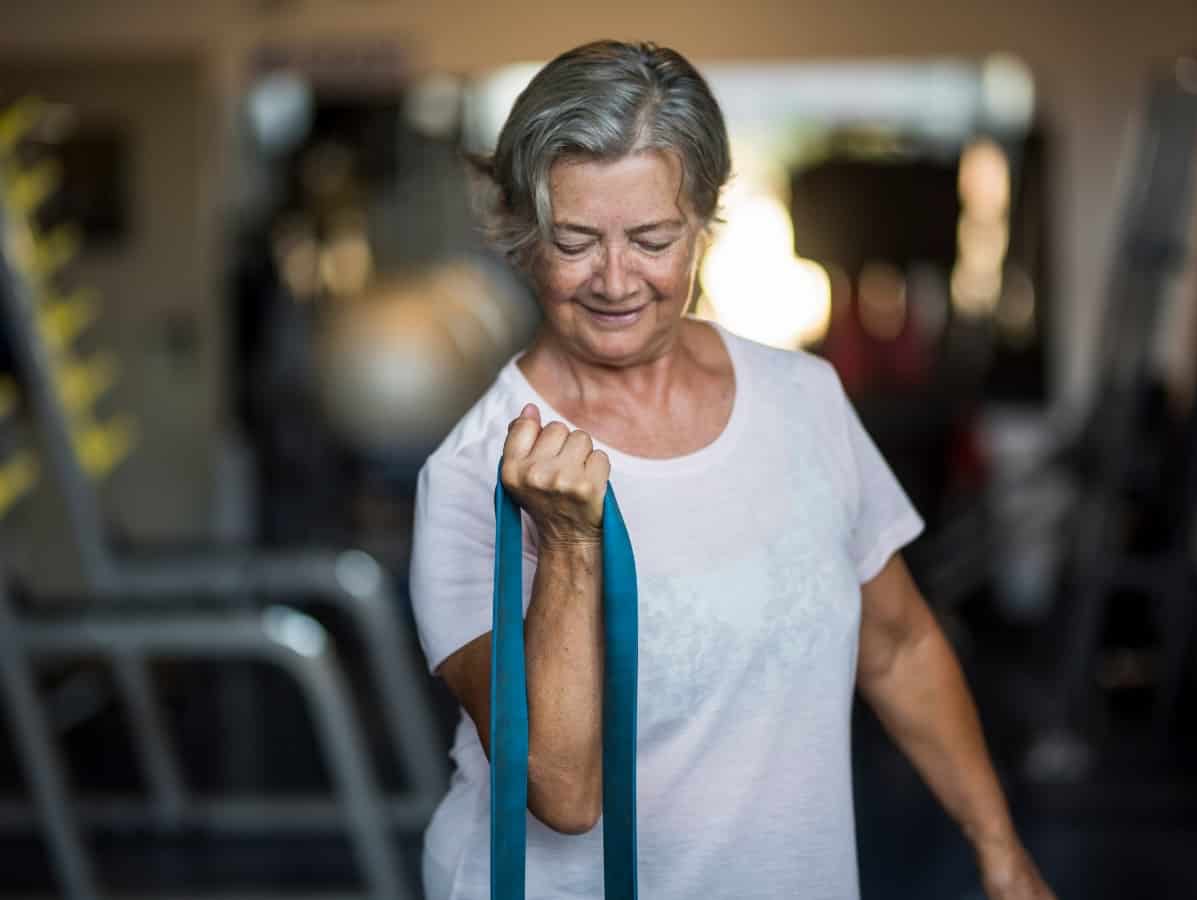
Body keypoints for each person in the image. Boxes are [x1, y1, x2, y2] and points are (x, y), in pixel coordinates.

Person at [409, 39, 1055, 900]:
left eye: (650, 238)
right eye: (574, 240)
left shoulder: (803, 398)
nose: (613, 279)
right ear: (526, 237)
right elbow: (561, 794)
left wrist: (1000, 847)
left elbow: (897, 646)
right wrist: (566, 545)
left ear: (706, 221)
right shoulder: (472, 474)